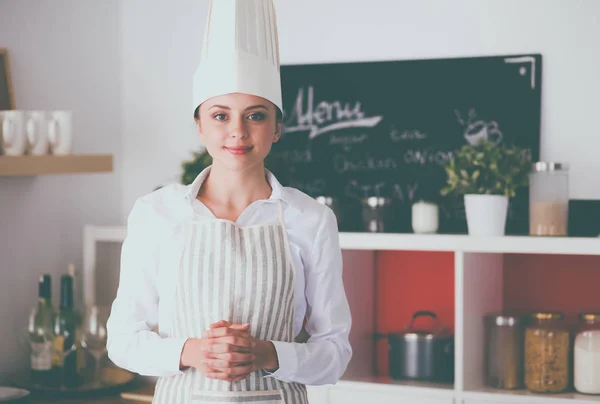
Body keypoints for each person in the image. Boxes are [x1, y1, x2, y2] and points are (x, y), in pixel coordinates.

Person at [106, 1, 352, 403]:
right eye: (220, 116)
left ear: (276, 129)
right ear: (199, 126)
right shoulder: (157, 214)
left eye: (255, 116)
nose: (237, 131)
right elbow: (122, 340)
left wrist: (269, 354)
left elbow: (335, 352)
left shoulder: (310, 219)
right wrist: (192, 351)